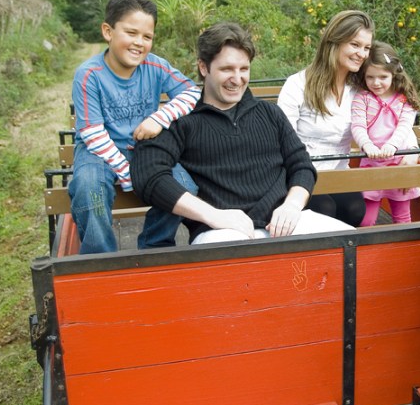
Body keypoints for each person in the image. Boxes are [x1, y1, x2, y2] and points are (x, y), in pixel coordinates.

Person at [131, 22, 354, 244]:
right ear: (203, 67)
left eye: (244, 69)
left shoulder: (270, 113)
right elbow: (148, 173)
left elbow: (301, 164)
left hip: (286, 221)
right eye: (227, 69)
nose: (237, 79)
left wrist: (292, 205)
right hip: (221, 231)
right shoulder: (183, 121)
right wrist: (212, 215)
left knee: (354, 244)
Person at [69, 0, 201, 254]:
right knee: (89, 189)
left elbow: (192, 93)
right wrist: (127, 173)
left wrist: (159, 118)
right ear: (108, 31)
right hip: (99, 153)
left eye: (147, 37)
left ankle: (153, 246)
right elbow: (92, 134)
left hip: (143, 149)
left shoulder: (155, 66)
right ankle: (101, 258)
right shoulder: (89, 75)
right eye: (131, 33)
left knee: (185, 186)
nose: (139, 43)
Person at [277, 10, 375, 227]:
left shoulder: (358, 90)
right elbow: (282, 140)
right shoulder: (298, 84)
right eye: (355, 45)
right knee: (324, 210)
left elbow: (388, 119)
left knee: (355, 209)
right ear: (335, 42)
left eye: (366, 47)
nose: (362, 53)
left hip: (338, 172)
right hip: (301, 173)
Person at [350, 42, 420, 226]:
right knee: (367, 220)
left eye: (383, 76)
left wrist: (392, 146)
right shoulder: (363, 98)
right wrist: (367, 146)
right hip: (372, 162)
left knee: (402, 217)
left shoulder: (403, 99)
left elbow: (405, 126)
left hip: (398, 162)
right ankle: (366, 252)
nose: (376, 82)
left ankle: (403, 252)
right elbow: (358, 126)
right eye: (370, 77)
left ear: (394, 74)